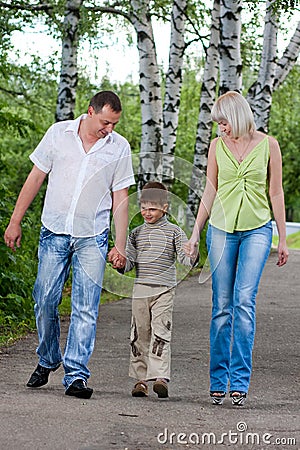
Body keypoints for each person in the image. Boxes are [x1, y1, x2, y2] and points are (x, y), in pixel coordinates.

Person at [4, 90, 135, 399]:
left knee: (86, 307)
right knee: (44, 299)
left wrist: (119, 245)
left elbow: (121, 198)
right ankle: (48, 358)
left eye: (114, 124)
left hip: (93, 236)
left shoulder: (119, 147)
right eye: (105, 122)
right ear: (90, 112)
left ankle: (76, 375)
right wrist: (15, 220)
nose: (110, 129)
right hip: (54, 230)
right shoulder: (58, 134)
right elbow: (36, 177)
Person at [185, 91, 288, 406]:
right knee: (222, 307)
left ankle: (240, 382)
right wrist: (194, 232)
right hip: (220, 230)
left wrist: (282, 238)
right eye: (218, 123)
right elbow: (210, 189)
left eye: (224, 121)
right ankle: (218, 380)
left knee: (244, 303)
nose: (221, 128)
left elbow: (276, 192)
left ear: (239, 116)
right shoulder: (217, 146)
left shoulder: (269, 145)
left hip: (257, 229)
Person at [120, 181, 198, 398]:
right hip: (141, 291)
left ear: (165, 207)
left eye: (152, 208)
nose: (147, 212)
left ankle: (161, 377)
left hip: (164, 291)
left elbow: (184, 259)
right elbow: (129, 263)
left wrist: (192, 253)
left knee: (161, 332)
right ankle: (141, 380)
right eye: (144, 208)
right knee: (139, 334)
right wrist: (120, 262)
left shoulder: (174, 232)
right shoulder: (136, 234)